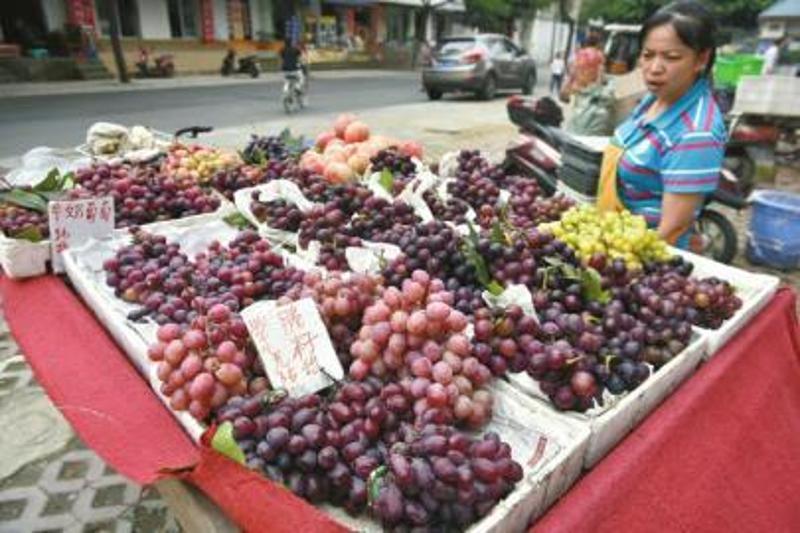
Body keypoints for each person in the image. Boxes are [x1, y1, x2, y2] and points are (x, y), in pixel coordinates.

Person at [596, 0, 726, 249]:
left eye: (671, 57)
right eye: (647, 55)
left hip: (643, 260)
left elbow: (672, 229)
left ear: (701, 59)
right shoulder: (654, 100)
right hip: (614, 238)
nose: (654, 68)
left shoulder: (696, 132)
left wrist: (620, 263)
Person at [559, 34, 606, 103]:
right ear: (597, 43)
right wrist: (601, 85)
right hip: (591, 89)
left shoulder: (580, 53)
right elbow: (601, 73)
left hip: (577, 88)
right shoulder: (599, 55)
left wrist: (565, 86)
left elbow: (573, 72)